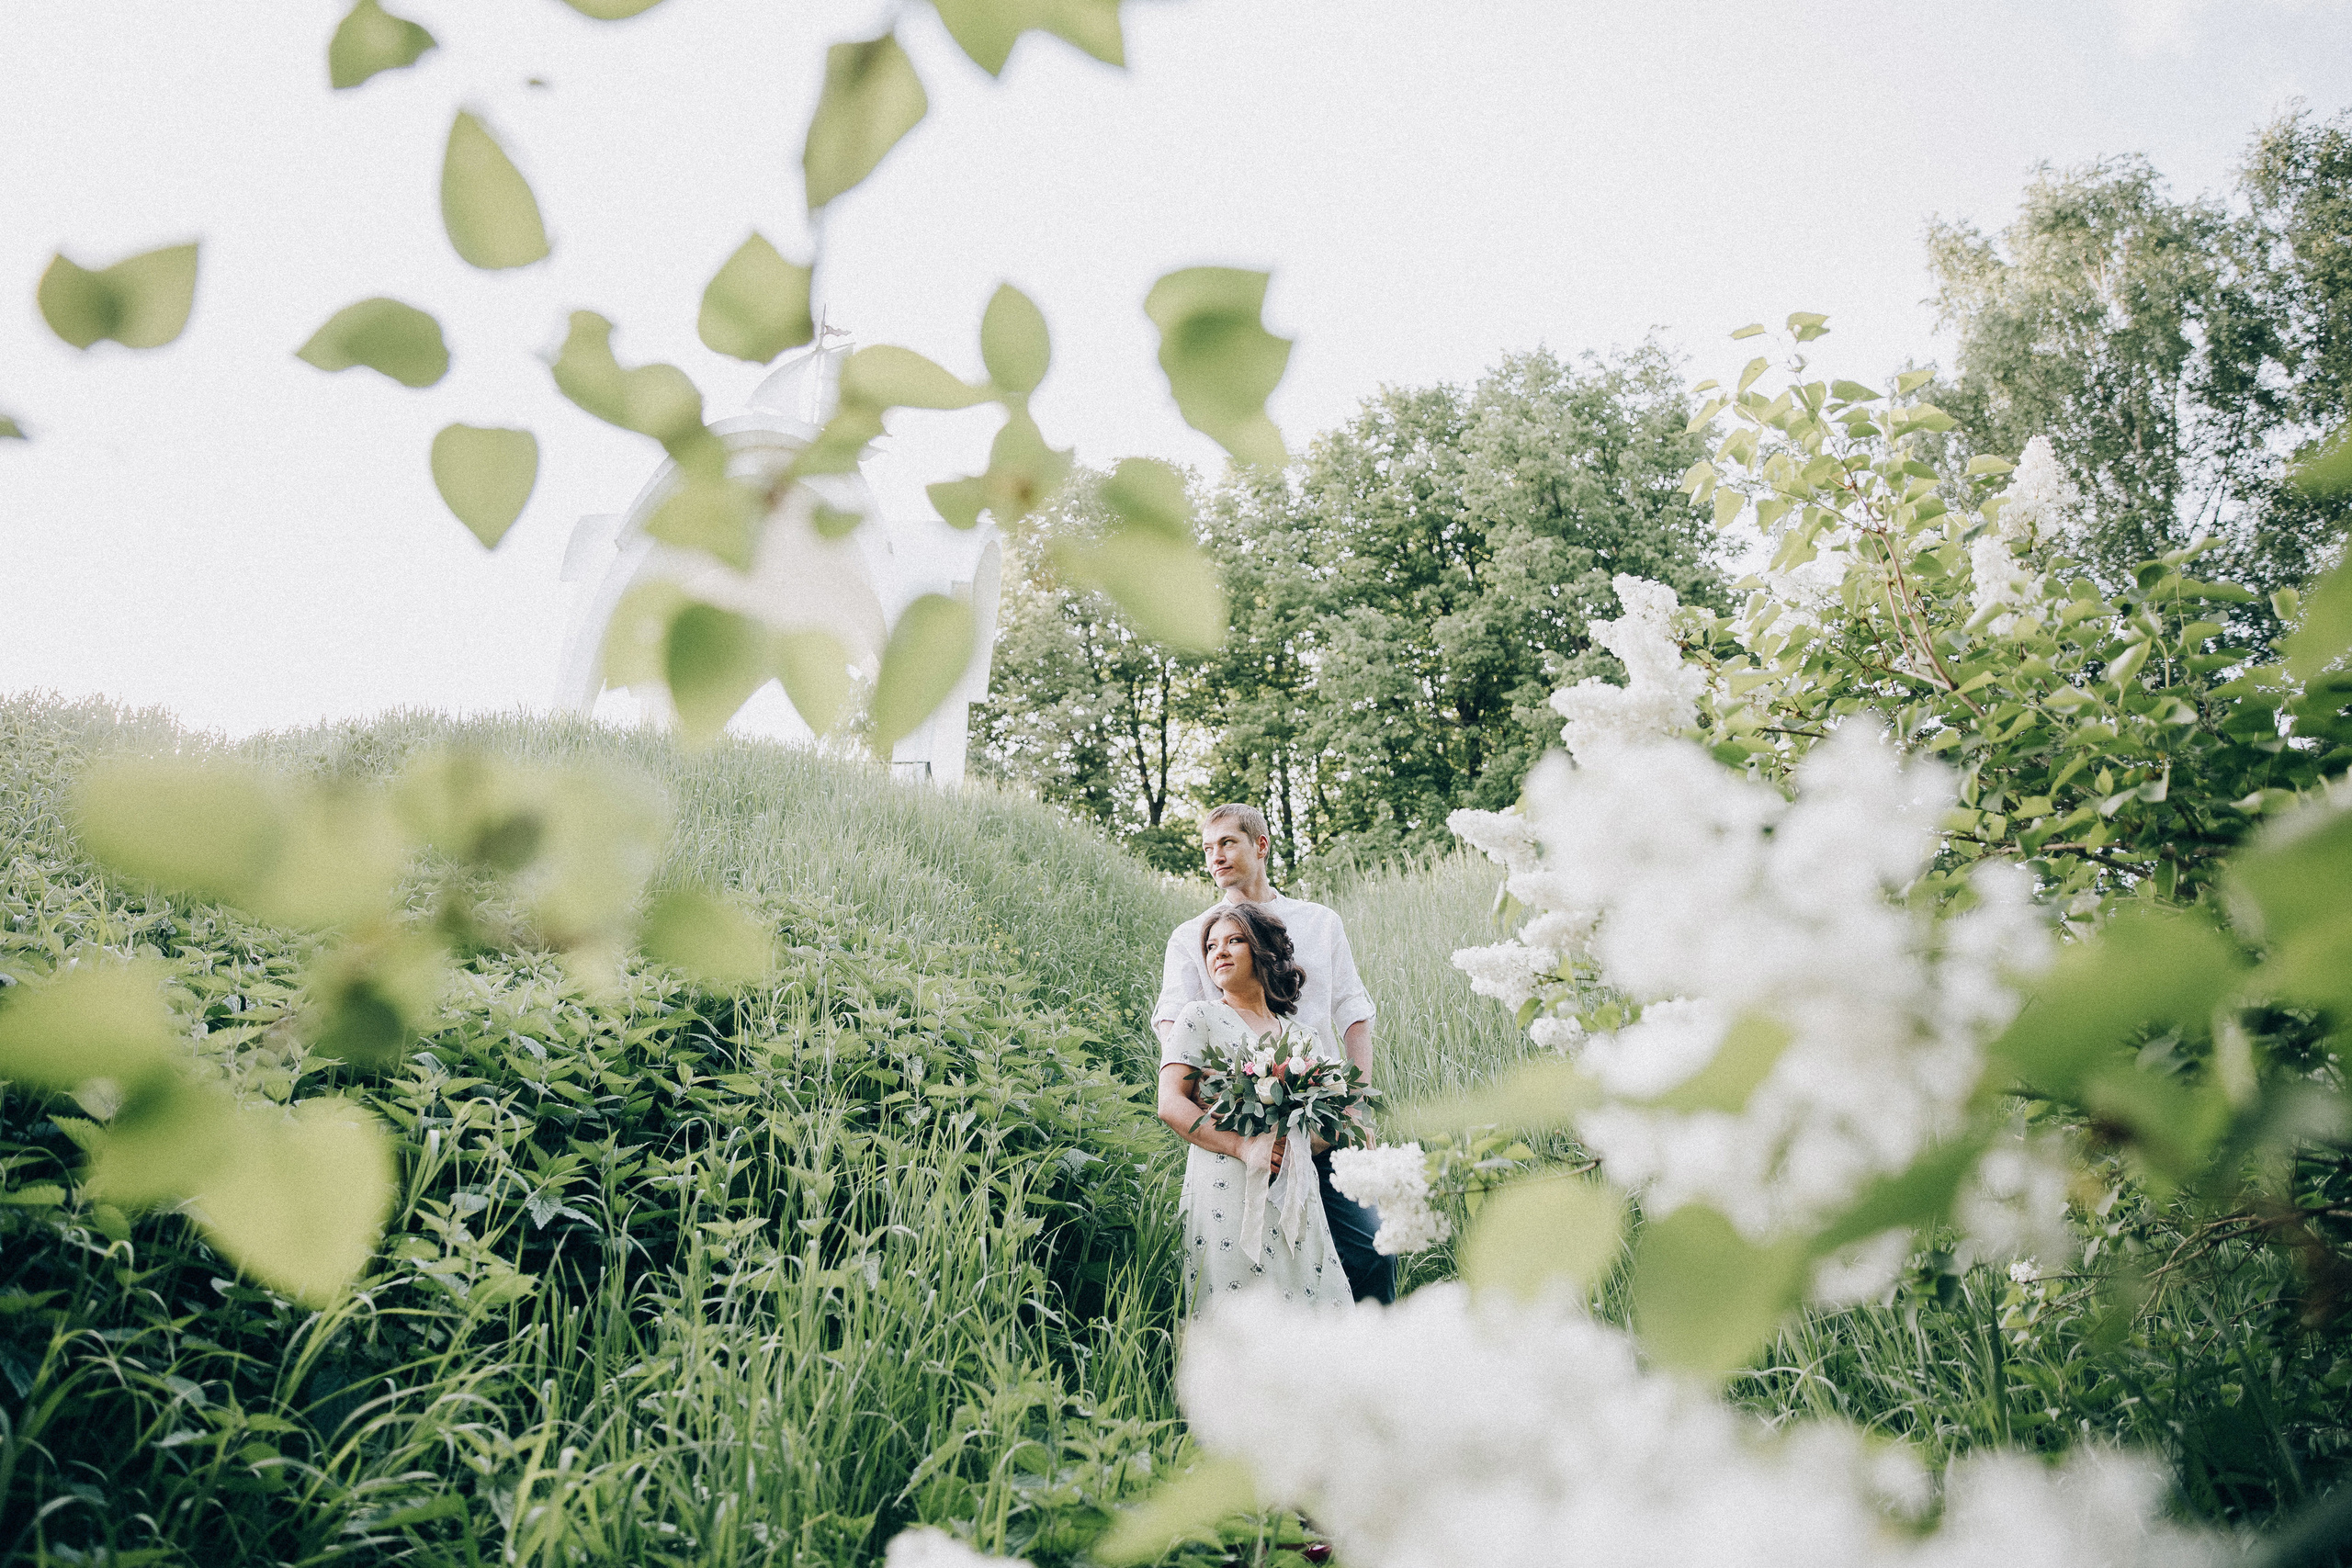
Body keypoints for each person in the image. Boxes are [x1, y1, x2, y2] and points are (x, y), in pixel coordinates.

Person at [1153, 804, 1394, 1304]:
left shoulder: (1320, 923)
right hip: (1244, 1129)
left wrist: (1355, 1107)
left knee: (1373, 1249)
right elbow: (1173, 1021)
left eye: (1227, 843)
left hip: (1323, 1119)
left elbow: (1354, 1013)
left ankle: (1370, 1345)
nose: (1216, 857)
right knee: (1263, 1269)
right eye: (1208, 848)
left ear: (1261, 845)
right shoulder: (1195, 935)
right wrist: (1207, 1100)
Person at [1156, 902, 1346, 1309]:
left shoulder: (1304, 1036)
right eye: (1211, 946)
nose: (1219, 952)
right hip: (1226, 1183)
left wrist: (1301, 1139)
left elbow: (1327, 1127)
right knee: (1239, 1306)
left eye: (1234, 941)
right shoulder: (1199, 1017)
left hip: (1295, 1186)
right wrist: (1242, 1145)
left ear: (1265, 951)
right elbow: (1170, 1103)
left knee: (1313, 1303)